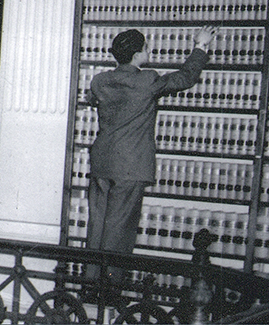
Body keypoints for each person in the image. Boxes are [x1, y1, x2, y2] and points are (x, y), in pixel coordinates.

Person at [85, 25, 217, 290]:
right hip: (131, 166)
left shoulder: (100, 81)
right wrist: (201, 46)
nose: (148, 51)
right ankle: (109, 293)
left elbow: (93, 99)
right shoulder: (146, 80)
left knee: (97, 228)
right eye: (145, 48)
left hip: (102, 163)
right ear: (137, 54)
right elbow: (185, 78)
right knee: (119, 232)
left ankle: (88, 286)